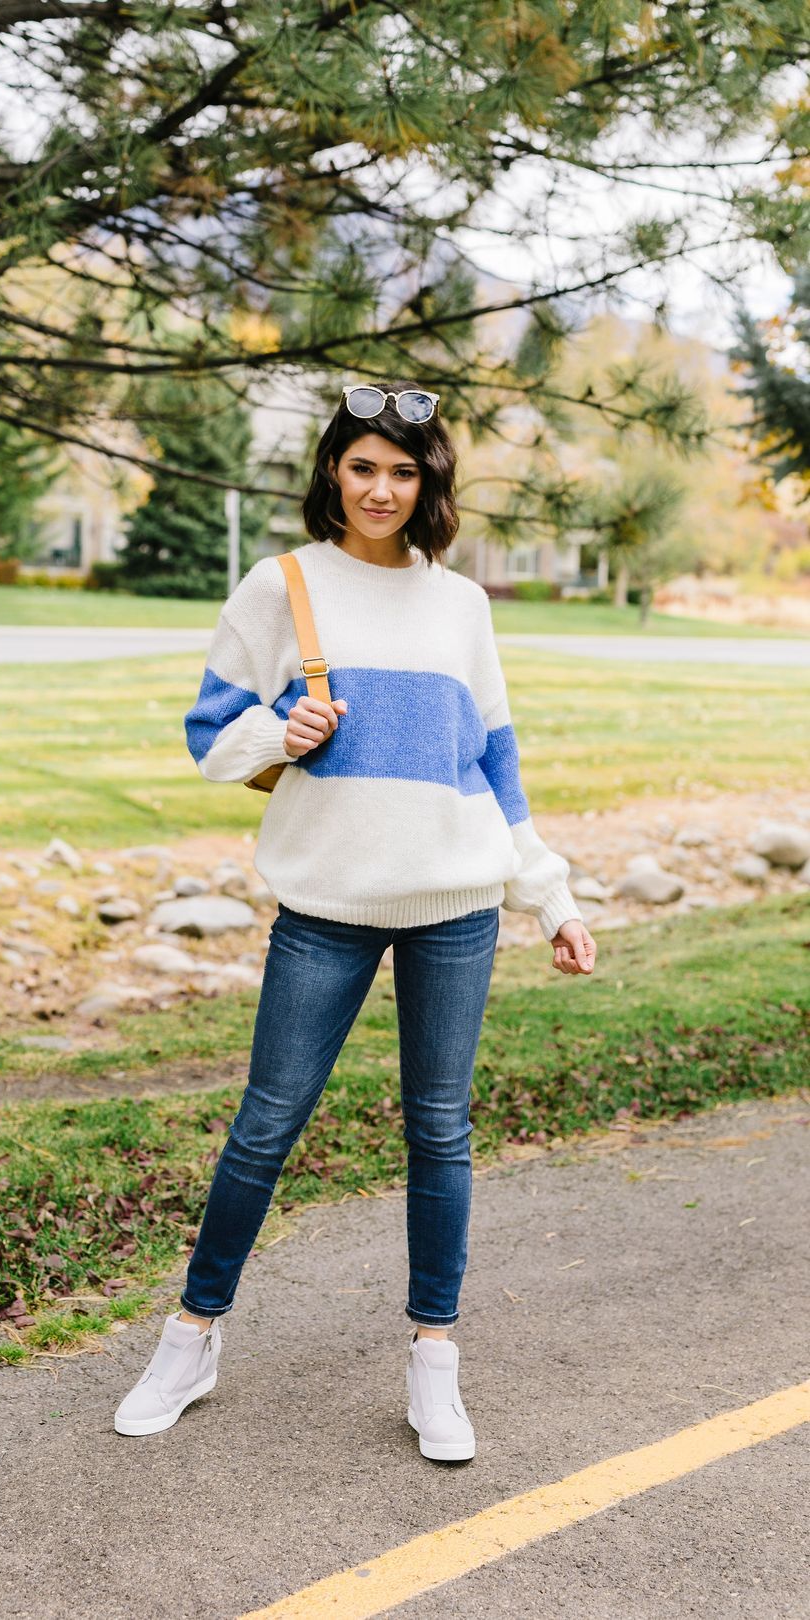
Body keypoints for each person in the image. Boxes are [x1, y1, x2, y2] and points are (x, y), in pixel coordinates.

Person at [114, 379, 597, 1461]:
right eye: (363, 465)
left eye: (403, 470)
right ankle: (192, 1338)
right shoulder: (281, 585)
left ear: (427, 484)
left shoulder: (460, 606)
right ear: (334, 468)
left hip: (457, 904)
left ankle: (435, 1361)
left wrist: (552, 896)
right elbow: (208, 736)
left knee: (440, 1132)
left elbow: (495, 765)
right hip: (325, 905)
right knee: (265, 1127)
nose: (381, 488)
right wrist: (283, 732)